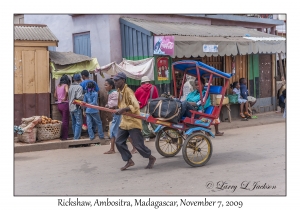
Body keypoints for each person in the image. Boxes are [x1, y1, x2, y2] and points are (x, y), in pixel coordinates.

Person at [111, 72, 156, 171]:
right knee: (119, 142)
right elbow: (122, 105)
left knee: (138, 144)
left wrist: (123, 110)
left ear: (123, 80)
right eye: (114, 80)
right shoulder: (119, 91)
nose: (115, 82)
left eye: (117, 80)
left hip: (133, 121)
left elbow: (135, 106)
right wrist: (117, 108)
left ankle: (151, 157)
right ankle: (129, 160)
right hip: (124, 122)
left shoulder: (128, 91)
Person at [134, 76, 159, 142]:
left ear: (142, 82)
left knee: (143, 122)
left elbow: (134, 98)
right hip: (152, 107)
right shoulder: (154, 88)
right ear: (149, 81)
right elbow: (156, 98)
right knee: (153, 120)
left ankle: (147, 136)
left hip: (142, 108)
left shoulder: (139, 89)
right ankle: (159, 134)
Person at [104, 78, 121, 154]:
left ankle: (112, 149)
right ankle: (112, 149)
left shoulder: (114, 93)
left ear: (111, 86)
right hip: (115, 114)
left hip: (118, 114)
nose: (105, 86)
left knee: (113, 131)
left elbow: (114, 104)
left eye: (106, 85)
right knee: (114, 131)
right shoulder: (111, 92)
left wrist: (108, 106)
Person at [54, 75, 72, 140]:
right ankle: (65, 137)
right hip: (64, 104)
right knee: (65, 121)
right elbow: (67, 91)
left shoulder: (57, 86)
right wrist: (64, 98)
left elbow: (55, 95)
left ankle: (64, 135)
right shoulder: (65, 85)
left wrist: (59, 98)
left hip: (59, 105)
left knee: (64, 120)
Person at [68, 74, 84, 140]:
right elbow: (79, 97)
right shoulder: (79, 87)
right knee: (78, 122)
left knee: (74, 122)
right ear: (80, 79)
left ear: (74, 79)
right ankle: (76, 138)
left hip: (70, 106)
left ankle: (76, 136)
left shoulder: (70, 87)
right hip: (76, 107)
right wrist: (84, 96)